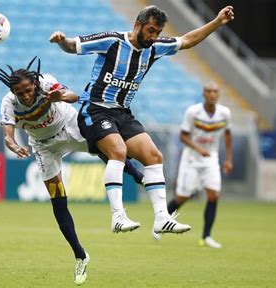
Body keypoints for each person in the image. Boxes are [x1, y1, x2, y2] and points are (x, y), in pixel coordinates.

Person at [49, 5, 234, 238]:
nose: (153, 36)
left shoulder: (154, 48)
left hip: (123, 113)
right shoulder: (112, 41)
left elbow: (187, 40)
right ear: (138, 24)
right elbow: (72, 46)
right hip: (95, 109)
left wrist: (217, 21)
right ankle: (118, 216)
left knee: (154, 156)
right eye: (150, 30)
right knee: (118, 151)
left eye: (157, 32)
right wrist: (61, 40)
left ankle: (161, 218)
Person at [0, 57, 144, 285]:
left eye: (27, 90)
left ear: (34, 84)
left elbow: (74, 96)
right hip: (44, 146)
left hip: (69, 126)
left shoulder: (45, 82)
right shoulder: (8, 103)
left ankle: (140, 177)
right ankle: (80, 255)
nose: (24, 96)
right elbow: (8, 133)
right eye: (18, 92)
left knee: (109, 150)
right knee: (58, 200)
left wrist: (58, 95)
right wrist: (13, 144)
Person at [167, 81, 233, 248]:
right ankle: (161, 221)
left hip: (211, 158)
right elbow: (183, 136)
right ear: (204, 94)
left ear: (218, 95)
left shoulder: (225, 113)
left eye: (215, 91)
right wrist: (198, 148)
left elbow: (227, 134)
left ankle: (206, 236)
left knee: (214, 195)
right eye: (209, 91)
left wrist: (228, 159)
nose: (212, 94)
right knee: (183, 197)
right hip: (191, 159)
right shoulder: (193, 112)